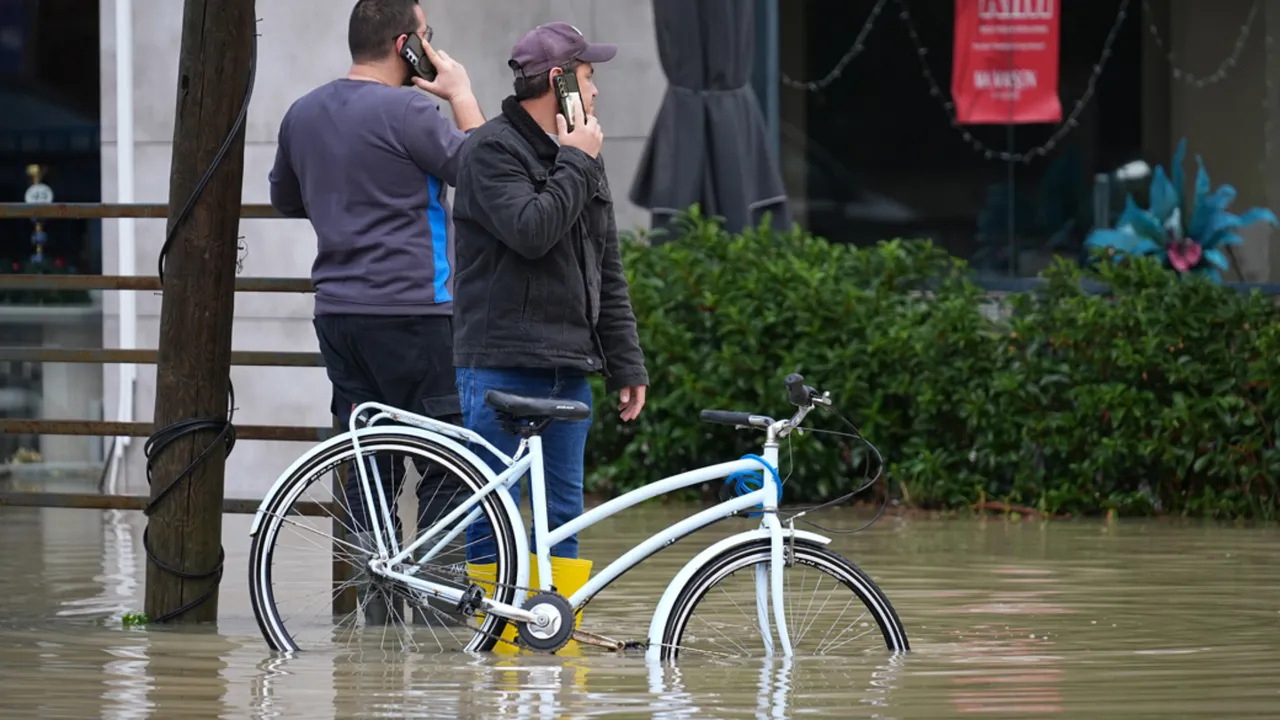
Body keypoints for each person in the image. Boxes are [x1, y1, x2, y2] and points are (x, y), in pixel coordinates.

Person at [267, 0, 484, 627]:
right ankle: (441, 630)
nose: (433, 48)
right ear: (404, 44)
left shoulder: (302, 112)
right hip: (416, 312)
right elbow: (481, 174)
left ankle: (379, 621)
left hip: (338, 315)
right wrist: (461, 92)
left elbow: (286, 199)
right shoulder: (412, 110)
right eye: (427, 37)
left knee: (367, 467)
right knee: (447, 466)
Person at [450, 22, 648, 643]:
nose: (596, 95)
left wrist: (627, 362)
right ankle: (494, 643)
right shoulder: (490, 150)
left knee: (563, 515)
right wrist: (576, 161)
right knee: (494, 515)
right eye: (588, 79)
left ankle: (548, 642)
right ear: (559, 82)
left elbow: (605, 266)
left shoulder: (583, 155)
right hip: (500, 362)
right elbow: (532, 230)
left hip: (569, 364)